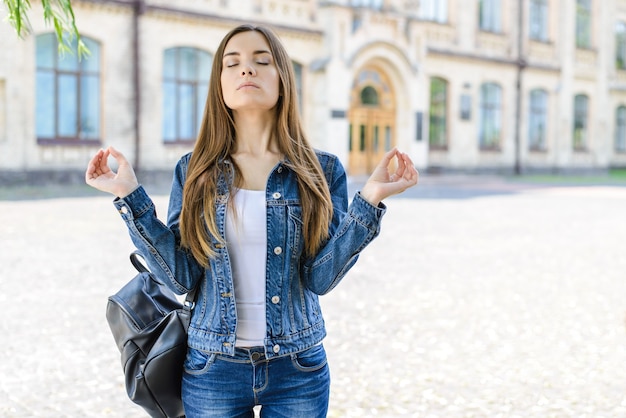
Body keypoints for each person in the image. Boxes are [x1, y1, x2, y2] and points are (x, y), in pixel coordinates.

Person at [86, 24, 418, 418]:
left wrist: (370, 201)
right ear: (220, 83)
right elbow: (180, 278)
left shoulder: (321, 170)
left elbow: (321, 279)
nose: (247, 70)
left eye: (262, 61)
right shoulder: (193, 171)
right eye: (233, 63)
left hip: (298, 367)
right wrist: (130, 198)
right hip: (212, 368)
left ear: (283, 80)